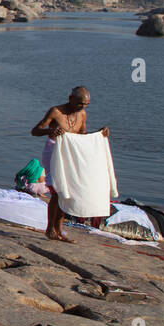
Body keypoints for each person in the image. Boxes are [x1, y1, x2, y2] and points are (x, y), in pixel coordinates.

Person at [31, 86, 108, 243]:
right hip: (53, 152)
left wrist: (99, 135)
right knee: (57, 190)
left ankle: (59, 230)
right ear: (70, 98)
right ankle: (50, 229)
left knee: (68, 190)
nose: (82, 107)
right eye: (80, 104)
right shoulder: (56, 112)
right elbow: (35, 130)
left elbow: (82, 136)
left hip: (71, 155)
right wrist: (50, 131)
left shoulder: (82, 114)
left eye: (86, 105)